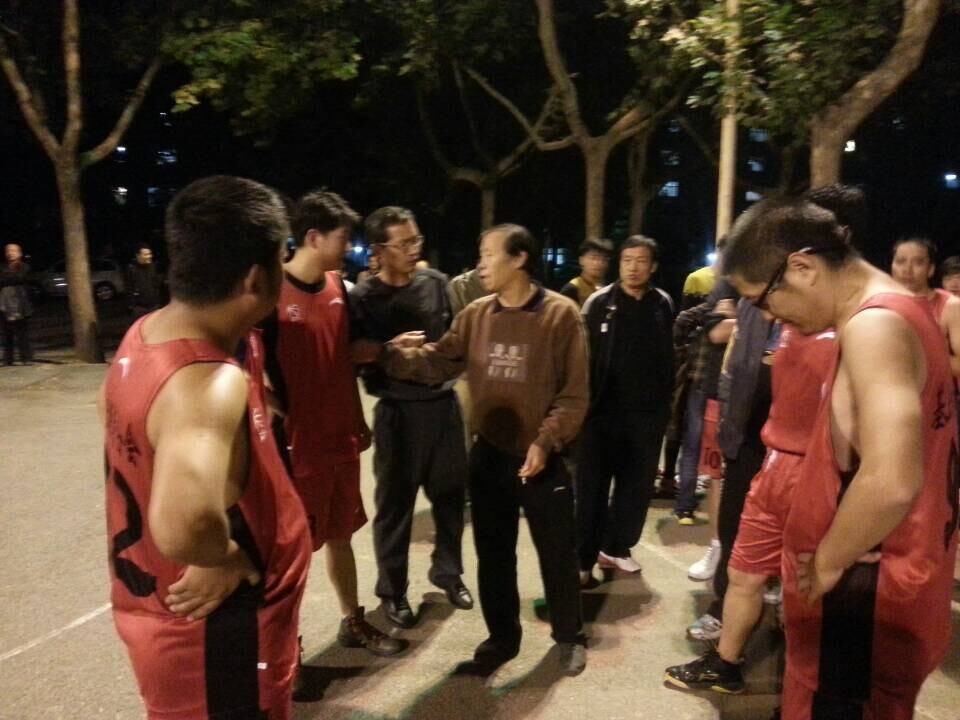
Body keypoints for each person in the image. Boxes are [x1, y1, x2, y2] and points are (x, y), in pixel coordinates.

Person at [721, 198, 958, 719]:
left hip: (864, 598)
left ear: (802, 267)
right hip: (894, 583)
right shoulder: (904, 311)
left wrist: (827, 561)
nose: (767, 315)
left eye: (760, 298)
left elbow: (891, 480)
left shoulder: (874, 327)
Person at [99, 175, 312, 719]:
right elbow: (184, 523)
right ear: (254, 277)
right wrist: (224, 555)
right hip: (217, 640)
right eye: (281, 259)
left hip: (174, 620)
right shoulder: (206, 380)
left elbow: (115, 415)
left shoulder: (147, 332)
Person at [368, 223, 589, 676]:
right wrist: (390, 354)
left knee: (556, 553)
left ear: (519, 258)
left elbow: (574, 395)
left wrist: (546, 441)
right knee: (494, 554)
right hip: (490, 454)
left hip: (542, 458)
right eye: (480, 254)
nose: (481, 265)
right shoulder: (475, 315)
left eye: (489, 255)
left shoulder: (561, 315)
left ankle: (569, 636)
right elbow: (440, 360)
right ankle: (502, 637)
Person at [261, 190, 403, 657]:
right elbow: (244, 362)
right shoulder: (269, 293)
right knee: (293, 552)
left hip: (339, 438)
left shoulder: (338, 288)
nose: (349, 247)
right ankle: (287, 652)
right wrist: (272, 404)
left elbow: (342, 355)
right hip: (297, 448)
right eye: (343, 239)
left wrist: (383, 351)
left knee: (341, 534)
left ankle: (353, 621)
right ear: (313, 237)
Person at [350, 206, 473, 629]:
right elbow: (351, 352)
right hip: (397, 413)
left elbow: (456, 340)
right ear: (378, 250)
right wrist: (389, 348)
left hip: (442, 407)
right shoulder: (363, 297)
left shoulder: (436, 283)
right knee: (395, 507)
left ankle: (448, 573)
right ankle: (393, 590)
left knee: (451, 498)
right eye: (403, 243)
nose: (412, 249)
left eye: (415, 240)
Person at [577, 236, 674, 581]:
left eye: (641, 261)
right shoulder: (599, 303)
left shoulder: (662, 303)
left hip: (645, 417)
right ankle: (582, 559)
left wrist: (664, 409)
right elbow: (581, 358)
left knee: (634, 489)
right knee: (591, 491)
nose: (633, 267)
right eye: (627, 260)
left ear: (653, 266)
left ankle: (616, 548)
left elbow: (668, 358)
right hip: (601, 415)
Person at [891, 236, 960, 378]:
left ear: (931, 269)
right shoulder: (879, 303)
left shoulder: (950, 305)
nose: (907, 270)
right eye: (900, 261)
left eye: (918, 263)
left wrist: (920, 351)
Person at [1, 243, 33, 365]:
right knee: (6, 333)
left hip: (21, 303)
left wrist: (7, 278)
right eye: (8, 251)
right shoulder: (2, 267)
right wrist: (11, 278)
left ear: (19, 253)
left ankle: (26, 358)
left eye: (13, 250)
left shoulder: (25, 266)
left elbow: (21, 278)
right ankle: (8, 359)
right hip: (4, 303)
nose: (10, 253)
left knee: (22, 332)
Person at [560, 238, 614, 307]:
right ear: (581, 260)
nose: (599, 263)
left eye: (604, 259)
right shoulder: (572, 289)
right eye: (593, 258)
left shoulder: (605, 288)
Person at [126, 244, 165, 319]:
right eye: (146, 254)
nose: (149, 256)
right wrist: (132, 305)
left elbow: (157, 284)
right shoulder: (131, 269)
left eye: (150, 254)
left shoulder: (153, 267)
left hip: (154, 306)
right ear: (138, 256)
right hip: (139, 308)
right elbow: (129, 288)